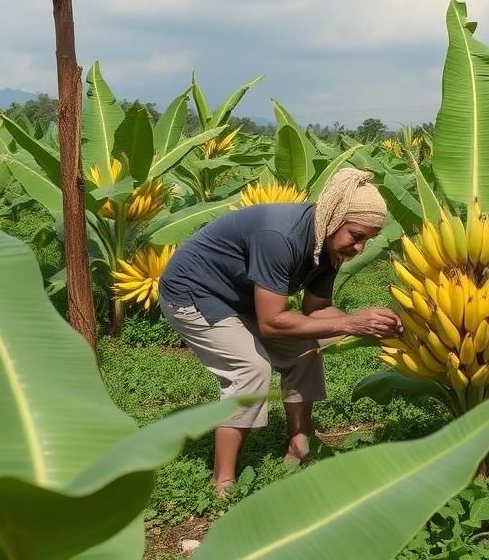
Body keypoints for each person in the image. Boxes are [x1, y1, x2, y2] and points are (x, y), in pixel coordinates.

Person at [159, 167, 402, 494]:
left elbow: (316, 310)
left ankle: (299, 445)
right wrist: (350, 322)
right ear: (333, 218)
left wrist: (368, 328)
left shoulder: (327, 246)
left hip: (242, 298)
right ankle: (223, 481)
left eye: (367, 240)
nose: (359, 248)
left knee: (304, 350)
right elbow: (272, 323)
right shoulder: (280, 237)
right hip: (193, 292)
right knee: (250, 368)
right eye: (356, 236)